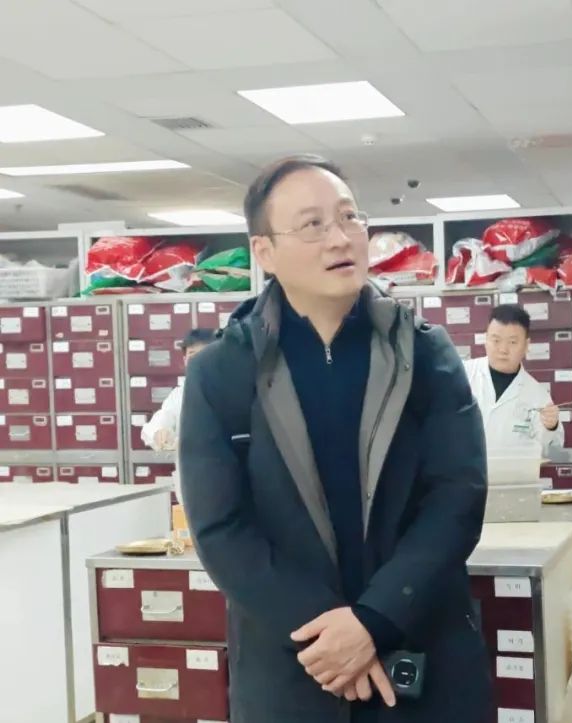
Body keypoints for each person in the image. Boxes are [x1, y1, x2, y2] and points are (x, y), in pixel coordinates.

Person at [179, 154, 492, 723]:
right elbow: (222, 528)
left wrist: (374, 620)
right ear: (264, 252)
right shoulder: (221, 374)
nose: (340, 238)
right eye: (313, 224)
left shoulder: (425, 355)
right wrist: (328, 633)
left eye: (349, 217)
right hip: (295, 667)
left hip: (420, 652)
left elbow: (458, 497)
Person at [462, 304, 564, 456]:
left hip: (512, 471)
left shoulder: (537, 395)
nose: (503, 349)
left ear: (526, 345)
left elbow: (551, 451)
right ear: (486, 339)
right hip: (463, 470)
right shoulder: (462, 375)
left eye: (512, 342)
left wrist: (551, 427)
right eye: (496, 340)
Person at [141, 328, 216, 451]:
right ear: (185, 360)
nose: (198, 361)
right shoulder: (179, 395)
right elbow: (160, 420)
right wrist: (158, 432)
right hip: (189, 462)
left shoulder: (230, 391)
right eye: (192, 355)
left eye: (204, 354)